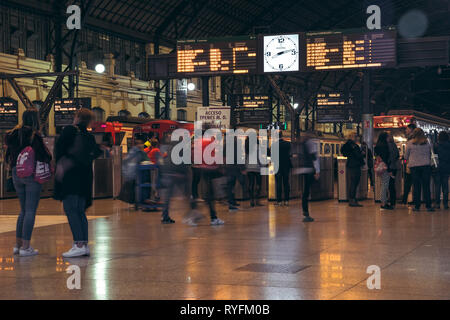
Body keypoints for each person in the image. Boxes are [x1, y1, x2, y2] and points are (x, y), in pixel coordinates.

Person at [54, 108, 102, 257]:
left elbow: (59, 149)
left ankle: (78, 244)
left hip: (71, 176)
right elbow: (96, 152)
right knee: (80, 210)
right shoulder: (89, 136)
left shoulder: (69, 131)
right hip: (85, 177)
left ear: (77, 117)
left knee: (70, 209)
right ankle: (84, 244)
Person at [5, 108, 52, 256]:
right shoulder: (34, 136)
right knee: (30, 210)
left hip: (15, 172)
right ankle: (26, 247)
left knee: (23, 210)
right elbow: (44, 156)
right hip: (30, 174)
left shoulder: (13, 134)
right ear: (35, 120)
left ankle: (18, 245)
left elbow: (8, 155)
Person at [189, 132, 225, 226]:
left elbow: (193, 156)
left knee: (204, 195)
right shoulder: (209, 142)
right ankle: (212, 217)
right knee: (210, 195)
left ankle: (197, 216)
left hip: (201, 169)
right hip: (209, 170)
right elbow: (214, 156)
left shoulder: (197, 143)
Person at [292, 134, 320, 222]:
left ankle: (305, 211)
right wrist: (317, 170)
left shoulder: (299, 145)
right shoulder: (310, 143)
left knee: (304, 191)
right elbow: (314, 158)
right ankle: (306, 213)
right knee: (307, 191)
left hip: (300, 170)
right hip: (308, 169)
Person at [405, 128, 433, 212]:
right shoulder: (427, 143)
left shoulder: (410, 143)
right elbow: (431, 153)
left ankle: (417, 206)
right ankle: (428, 206)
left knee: (416, 187)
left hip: (414, 167)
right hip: (425, 166)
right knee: (426, 187)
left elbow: (406, 156)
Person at [118, 136, 149, 206]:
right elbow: (145, 160)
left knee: (134, 188)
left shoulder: (132, 151)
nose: (141, 145)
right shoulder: (139, 151)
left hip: (130, 173)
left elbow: (125, 161)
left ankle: (136, 202)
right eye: (140, 144)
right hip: (136, 173)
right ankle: (139, 201)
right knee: (138, 187)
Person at [341, 133, 365, 207]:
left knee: (353, 183)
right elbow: (357, 155)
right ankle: (352, 200)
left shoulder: (347, 145)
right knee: (354, 183)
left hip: (351, 165)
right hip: (355, 165)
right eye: (355, 136)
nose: (356, 138)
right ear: (351, 137)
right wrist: (362, 154)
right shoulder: (353, 145)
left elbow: (344, 152)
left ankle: (352, 199)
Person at [272, 131, 291, 206]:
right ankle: (287, 200)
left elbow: (272, 157)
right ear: (282, 136)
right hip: (286, 165)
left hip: (277, 166)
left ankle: (279, 201)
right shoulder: (288, 144)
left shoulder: (274, 145)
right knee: (286, 183)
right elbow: (290, 153)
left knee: (278, 183)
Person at [374, 132, 393, 210]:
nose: (389, 138)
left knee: (383, 184)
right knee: (385, 185)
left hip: (379, 167)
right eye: (388, 137)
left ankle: (383, 202)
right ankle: (383, 203)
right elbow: (386, 159)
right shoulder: (385, 146)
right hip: (384, 167)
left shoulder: (377, 146)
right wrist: (389, 170)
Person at [434, 131, 450, 209]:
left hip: (437, 167)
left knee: (437, 186)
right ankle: (446, 204)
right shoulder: (449, 145)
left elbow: (434, 156)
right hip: (446, 168)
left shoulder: (436, 145)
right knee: (445, 187)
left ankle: (437, 203)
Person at [245, 138, 263, 207]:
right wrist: (263, 165)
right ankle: (257, 201)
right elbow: (260, 159)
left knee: (251, 184)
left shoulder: (247, 147)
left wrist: (246, 167)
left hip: (249, 168)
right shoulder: (258, 147)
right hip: (257, 168)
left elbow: (246, 159)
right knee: (258, 184)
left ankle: (251, 200)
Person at [402, 123, 417, 204]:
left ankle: (405, 199)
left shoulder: (411, 141)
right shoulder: (415, 139)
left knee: (408, 183)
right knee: (412, 183)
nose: (406, 130)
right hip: (414, 164)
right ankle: (412, 199)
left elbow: (407, 155)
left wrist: (404, 158)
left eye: (407, 129)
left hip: (411, 165)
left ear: (411, 129)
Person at [388, 135, 400, 208]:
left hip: (390, 167)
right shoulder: (394, 145)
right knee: (392, 184)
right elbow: (397, 155)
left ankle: (391, 201)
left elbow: (390, 157)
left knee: (390, 185)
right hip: (394, 167)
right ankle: (393, 201)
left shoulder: (388, 146)